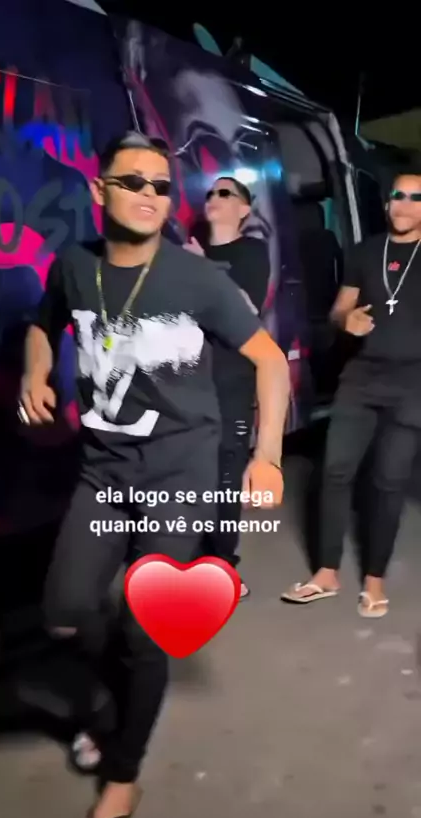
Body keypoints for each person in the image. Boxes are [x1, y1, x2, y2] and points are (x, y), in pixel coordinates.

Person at [20, 131, 290, 818]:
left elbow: (270, 362)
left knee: (146, 627)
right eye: (132, 182)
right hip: (102, 470)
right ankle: (115, 707)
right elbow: (43, 325)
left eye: (161, 186)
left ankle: (123, 774)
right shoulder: (74, 266)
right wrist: (34, 372)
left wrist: (266, 457)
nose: (149, 195)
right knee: (66, 611)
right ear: (99, 190)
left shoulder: (195, 280)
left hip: (179, 472)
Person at [282, 173, 421, 618]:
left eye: (416, 197)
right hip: (360, 377)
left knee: (388, 481)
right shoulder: (365, 251)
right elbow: (339, 309)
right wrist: (347, 321)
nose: (404, 203)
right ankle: (326, 573)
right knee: (335, 471)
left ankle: (374, 581)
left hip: (412, 385)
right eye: (397, 194)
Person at [184, 177, 271, 599]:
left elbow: (248, 310)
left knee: (223, 476)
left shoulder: (251, 252)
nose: (214, 199)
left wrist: (203, 268)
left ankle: (223, 566)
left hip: (231, 380)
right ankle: (189, 563)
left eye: (225, 193)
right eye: (210, 193)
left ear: (244, 210)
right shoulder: (188, 252)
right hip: (187, 382)